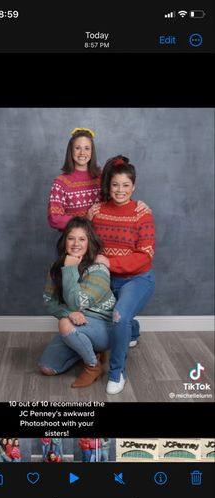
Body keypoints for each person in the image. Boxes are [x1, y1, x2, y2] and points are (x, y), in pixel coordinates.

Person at [91, 155, 155, 395]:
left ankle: (117, 372)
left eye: (126, 185)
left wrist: (109, 261)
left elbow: (145, 255)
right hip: (104, 279)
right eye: (115, 184)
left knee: (119, 315)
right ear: (108, 185)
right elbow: (85, 241)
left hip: (137, 279)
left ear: (134, 186)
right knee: (115, 320)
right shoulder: (96, 211)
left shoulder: (142, 213)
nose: (120, 190)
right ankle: (133, 330)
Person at [39, 217, 116, 388]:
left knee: (64, 324)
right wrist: (69, 313)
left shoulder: (98, 267)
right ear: (64, 240)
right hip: (76, 323)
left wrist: (70, 269)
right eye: (71, 238)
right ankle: (88, 350)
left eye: (82, 239)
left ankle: (92, 366)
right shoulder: (56, 266)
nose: (76, 244)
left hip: (104, 328)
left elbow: (78, 303)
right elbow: (48, 301)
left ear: (90, 242)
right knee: (47, 368)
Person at [47, 128, 101, 232]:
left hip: (101, 238)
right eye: (77, 148)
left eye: (87, 148)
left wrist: (137, 205)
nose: (82, 152)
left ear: (92, 151)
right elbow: (54, 218)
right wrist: (85, 219)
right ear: (71, 150)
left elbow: (118, 198)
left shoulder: (101, 178)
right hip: (74, 241)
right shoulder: (61, 182)